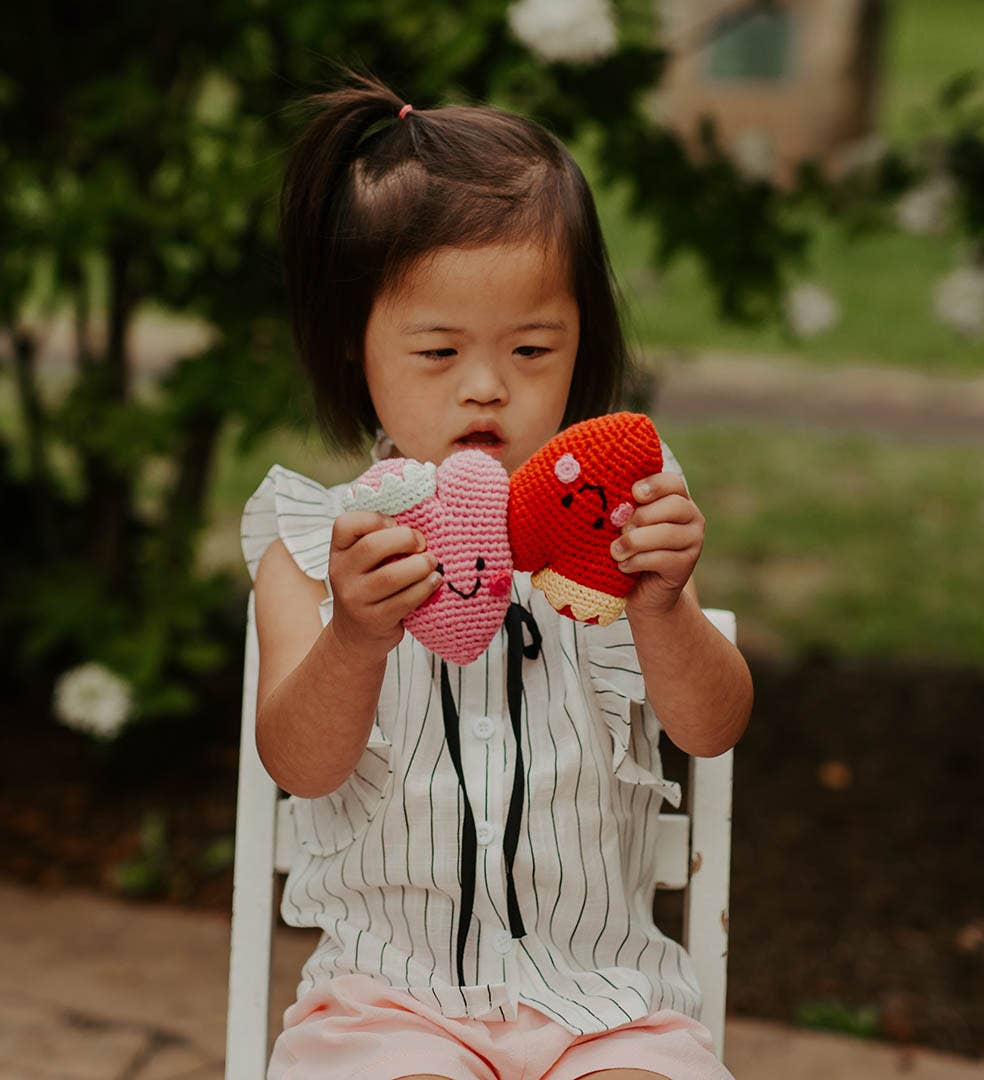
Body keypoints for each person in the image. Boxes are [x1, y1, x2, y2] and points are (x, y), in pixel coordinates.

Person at [240, 63, 753, 1080]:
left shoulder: (623, 515)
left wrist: (659, 607)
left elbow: (712, 726)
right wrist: (355, 636)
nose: (487, 388)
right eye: (438, 352)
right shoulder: (312, 545)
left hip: (611, 1002)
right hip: (388, 1001)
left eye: (531, 348)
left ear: (582, 344)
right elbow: (301, 766)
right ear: (358, 345)